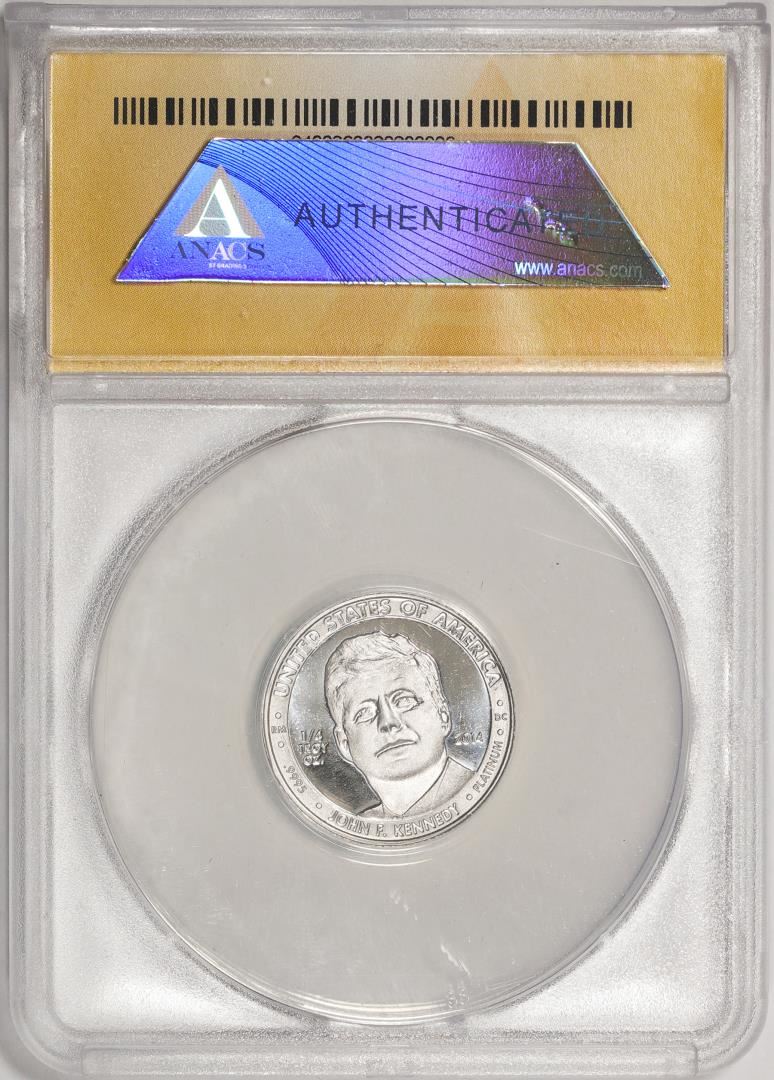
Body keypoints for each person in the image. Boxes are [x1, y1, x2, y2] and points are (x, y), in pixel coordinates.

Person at [324, 630, 473, 817]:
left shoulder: (476, 794)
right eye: (365, 713)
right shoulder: (365, 822)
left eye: (404, 701)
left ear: (443, 715)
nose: (388, 723)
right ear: (344, 744)